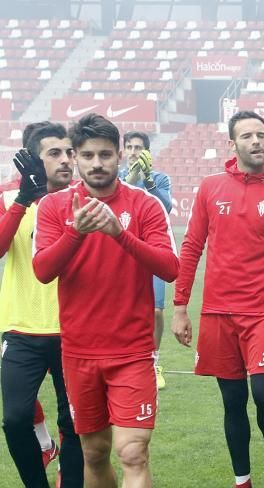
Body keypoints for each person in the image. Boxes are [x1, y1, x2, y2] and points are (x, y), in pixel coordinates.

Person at [33, 113, 179, 488]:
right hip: (79, 354)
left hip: (133, 351)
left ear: (120, 155)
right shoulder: (55, 208)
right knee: (94, 453)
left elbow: (170, 266)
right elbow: (42, 271)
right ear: (73, 159)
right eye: (88, 156)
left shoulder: (145, 206)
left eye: (106, 154)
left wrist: (119, 232)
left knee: (132, 451)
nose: (97, 164)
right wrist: (77, 231)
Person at [172, 110, 264, 488]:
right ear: (232, 144)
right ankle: (242, 486)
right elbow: (191, 248)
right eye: (247, 135)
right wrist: (181, 307)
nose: (256, 141)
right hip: (217, 314)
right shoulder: (211, 188)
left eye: (261, 135)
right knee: (232, 402)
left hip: (263, 314)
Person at [1, 122, 86, 488]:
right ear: (34, 159)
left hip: (74, 331)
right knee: (15, 418)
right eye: (55, 153)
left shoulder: (84, 200)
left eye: (70, 151)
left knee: (74, 423)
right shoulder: (8, 199)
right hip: (21, 330)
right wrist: (22, 198)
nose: (67, 160)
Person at [120, 131, 172, 390]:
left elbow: (166, 208)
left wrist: (148, 179)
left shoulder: (160, 178)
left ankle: (154, 361)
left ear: (147, 152)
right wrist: (129, 180)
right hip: (120, 254)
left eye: (138, 147)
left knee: (156, 310)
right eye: (129, 146)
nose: (132, 151)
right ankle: (126, 360)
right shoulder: (115, 179)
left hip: (152, 252)